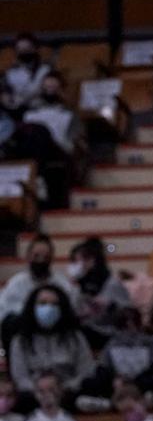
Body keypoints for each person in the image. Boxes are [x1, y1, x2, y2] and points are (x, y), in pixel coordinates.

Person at [8, 285, 94, 408]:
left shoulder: (75, 338)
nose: (48, 308)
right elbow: (20, 378)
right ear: (32, 307)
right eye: (42, 303)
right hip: (34, 395)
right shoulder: (20, 341)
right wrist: (41, 390)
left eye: (54, 304)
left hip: (68, 392)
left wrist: (63, 388)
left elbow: (86, 371)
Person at [19, 71, 83, 208]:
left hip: (59, 149)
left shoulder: (69, 113)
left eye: (53, 88)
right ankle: (37, 178)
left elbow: (74, 139)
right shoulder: (31, 113)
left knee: (41, 131)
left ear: (60, 89)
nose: (50, 91)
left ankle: (39, 176)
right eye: (47, 88)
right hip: (33, 150)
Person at [0, 234, 75, 338]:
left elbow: (70, 310)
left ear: (51, 258)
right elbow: (3, 311)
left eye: (45, 257)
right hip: (24, 334)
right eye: (36, 256)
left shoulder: (61, 283)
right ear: (28, 256)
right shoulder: (16, 283)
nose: (41, 260)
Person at [67, 237, 131, 346]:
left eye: (82, 260)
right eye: (74, 261)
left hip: (107, 333)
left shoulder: (112, 283)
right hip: (84, 329)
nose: (78, 265)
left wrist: (110, 306)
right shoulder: (77, 285)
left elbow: (128, 314)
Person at [5, 33, 52, 111]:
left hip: (41, 107)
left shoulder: (46, 69)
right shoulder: (11, 72)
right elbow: (7, 93)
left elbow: (46, 90)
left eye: (27, 48)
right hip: (16, 109)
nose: (23, 51)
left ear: (35, 49)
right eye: (20, 49)